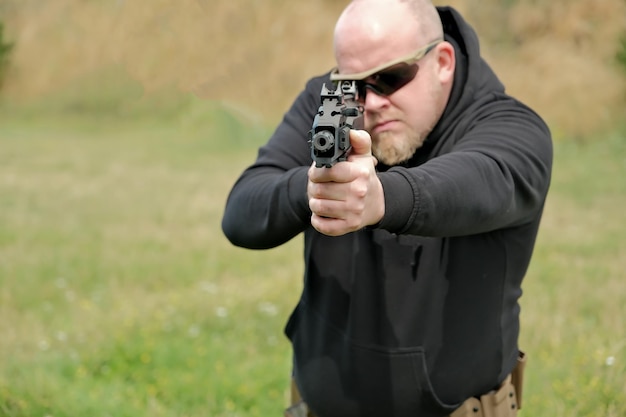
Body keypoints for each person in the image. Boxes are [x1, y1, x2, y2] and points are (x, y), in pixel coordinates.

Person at [221, 0, 552, 416]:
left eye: (390, 78)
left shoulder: (511, 128)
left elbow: (479, 180)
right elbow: (241, 212)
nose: (370, 102)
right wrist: (311, 189)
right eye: (354, 83)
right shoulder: (331, 105)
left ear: (443, 62)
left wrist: (380, 198)